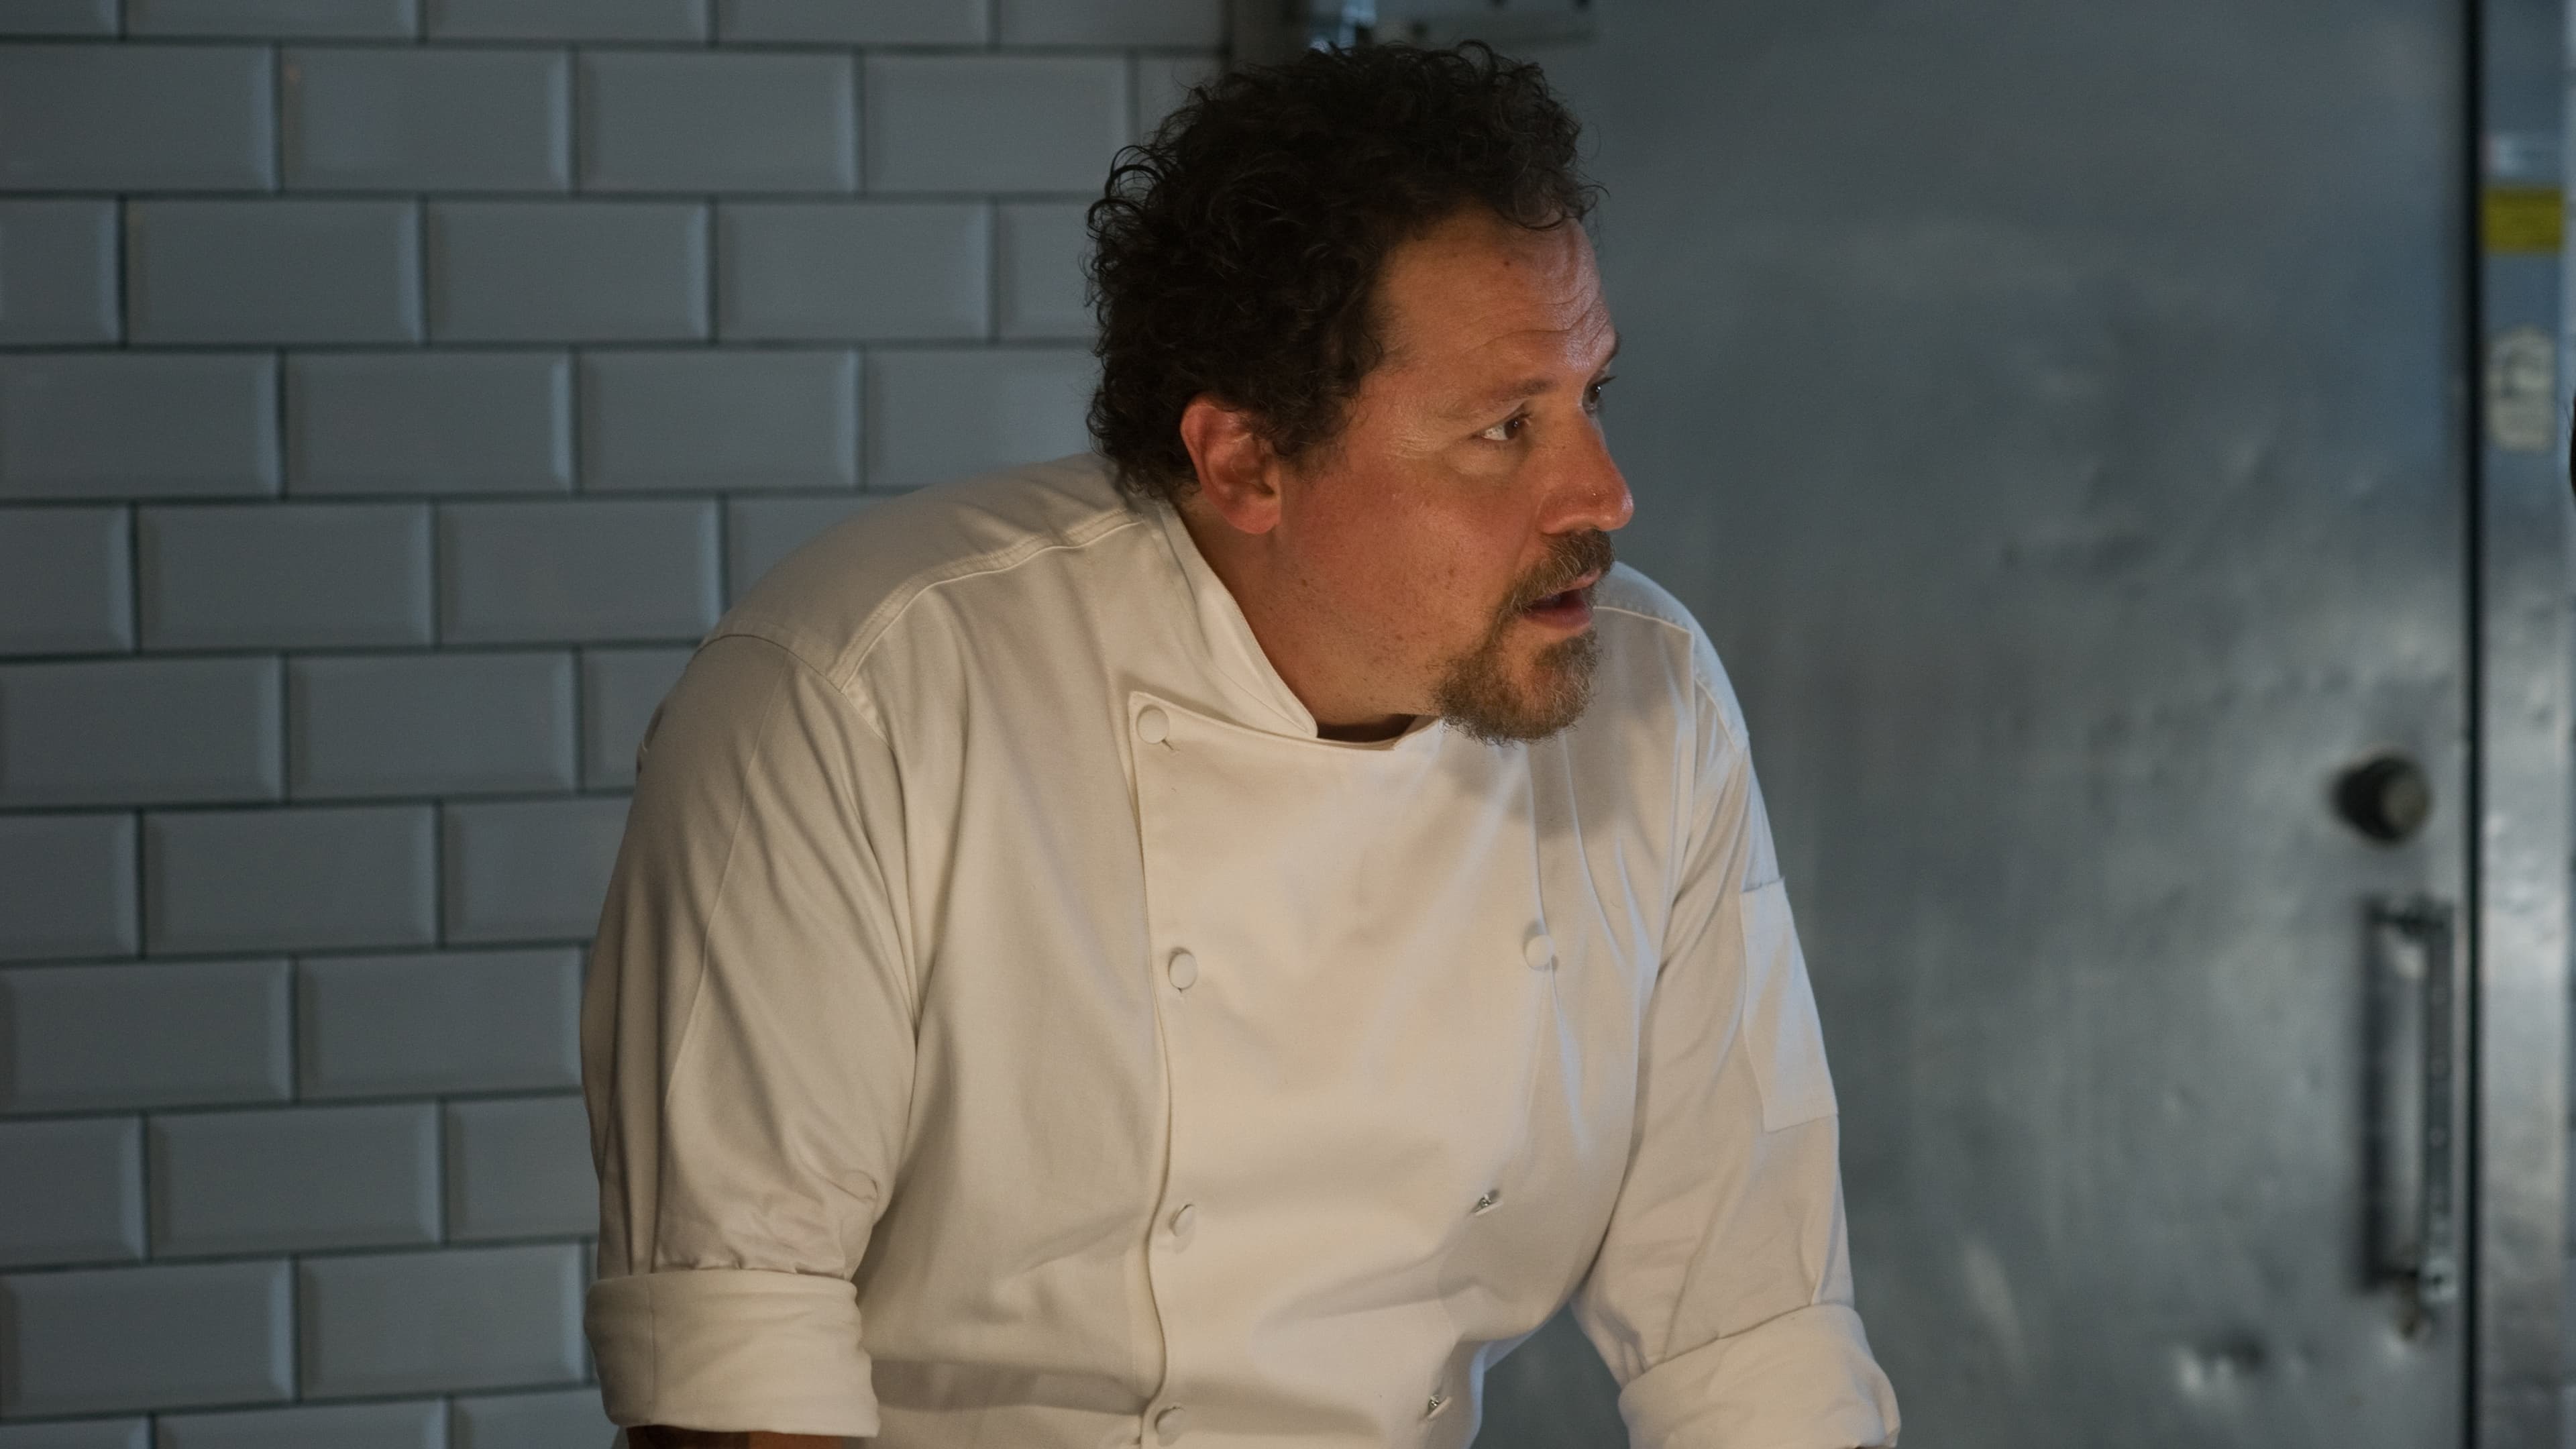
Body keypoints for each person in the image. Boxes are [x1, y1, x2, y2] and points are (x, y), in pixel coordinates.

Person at [584, 42, 1899, 1449]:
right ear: (1246, 463)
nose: (1606, 494)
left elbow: (1752, 1336)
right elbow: (739, 1362)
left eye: (1593, 396)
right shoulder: (863, 694)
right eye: (1504, 427)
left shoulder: (1651, 701)